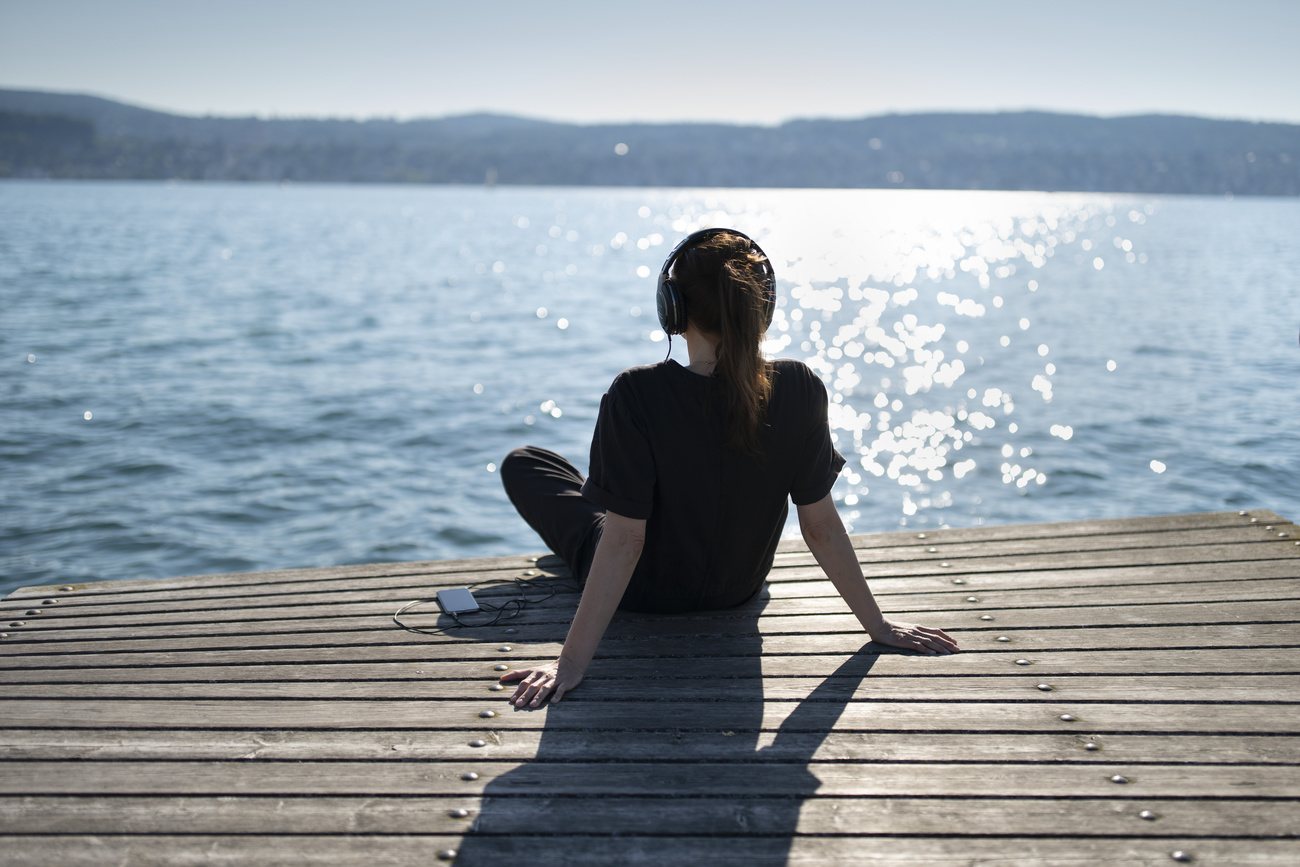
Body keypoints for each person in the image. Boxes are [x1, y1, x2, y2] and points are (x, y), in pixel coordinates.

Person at [499, 229, 958, 708]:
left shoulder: (636, 393)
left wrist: (569, 664)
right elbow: (819, 525)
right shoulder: (799, 387)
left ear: (672, 307)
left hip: (642, 591)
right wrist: (877, 626)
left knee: (528, 464)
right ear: (761, 307)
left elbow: (625, 540)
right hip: (738, 588)